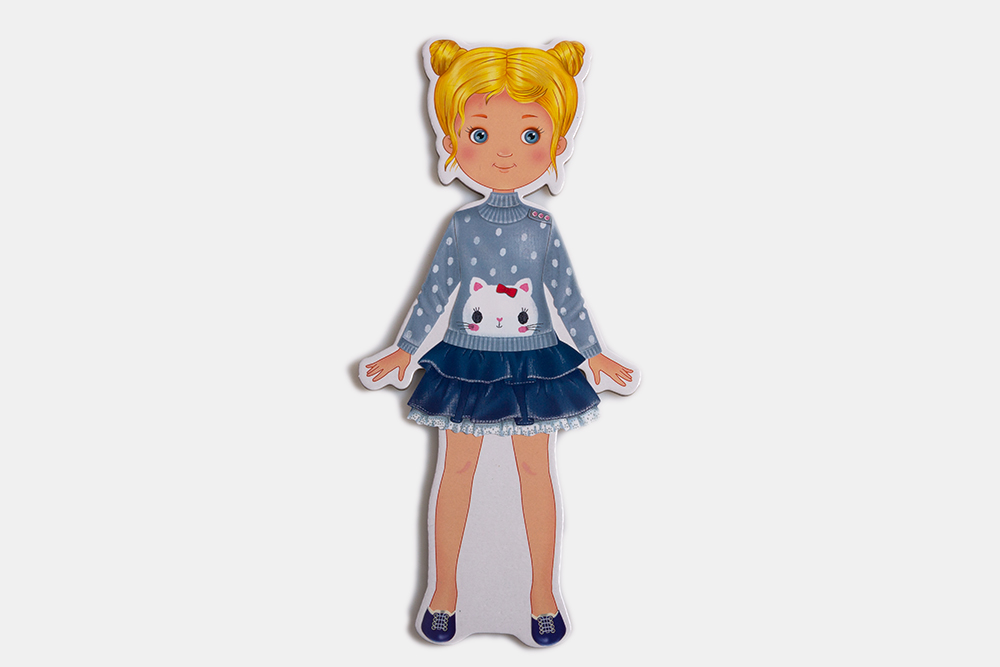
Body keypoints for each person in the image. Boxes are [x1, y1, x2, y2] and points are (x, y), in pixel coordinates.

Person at [362, 39, 636, 646]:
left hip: (536, 363)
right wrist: (405, 348)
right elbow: (436, 292)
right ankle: (444, 593)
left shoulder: (543, 225)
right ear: (453, 139)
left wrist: (594, 353)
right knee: (455, 470)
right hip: (465, 361)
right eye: (481, 134)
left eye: (529, 134)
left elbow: (567, 296)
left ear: (556, 142)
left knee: (536, 473)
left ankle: (542, 595)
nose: (505, 151)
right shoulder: (462, 225)